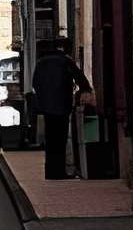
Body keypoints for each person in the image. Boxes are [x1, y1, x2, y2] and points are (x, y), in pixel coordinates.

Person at [31, 38, 93, 182]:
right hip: (62, 106)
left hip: (47, 107)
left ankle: (50, 171)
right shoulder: (65, 61)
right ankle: (59, 172)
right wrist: (86, 90)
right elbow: (80, 78)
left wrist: (43, 99)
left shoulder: (40, 63)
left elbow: (35, 84)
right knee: (60, 139)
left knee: (51, 139)